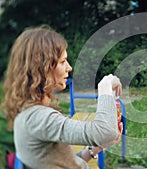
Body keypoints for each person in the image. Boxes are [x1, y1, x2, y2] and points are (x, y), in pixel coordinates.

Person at [3, 26, 123, 169]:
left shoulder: (29, 114)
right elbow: (106, 132)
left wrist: (95, 149)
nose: (69, 67)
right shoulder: (38, 118)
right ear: (43, 68)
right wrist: (105, 86)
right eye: (62, 62)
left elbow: (65, 163)